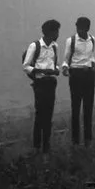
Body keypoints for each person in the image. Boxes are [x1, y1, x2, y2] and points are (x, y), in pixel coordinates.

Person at [21, 19, 63, 154]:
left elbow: (54, 63)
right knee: (40, 114)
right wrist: (41, 72)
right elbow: (26, 66)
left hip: (51, 83)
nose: (58, 34)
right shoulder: (35, 46)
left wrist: (55, 70)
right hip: (40, 84)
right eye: (56, 31)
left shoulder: (55, 46)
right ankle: (37, 145)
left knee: (48, 115)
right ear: (50, 32)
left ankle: (46, 145)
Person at [64, 15, 95, 147]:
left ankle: (88, 139)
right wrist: (65, 68)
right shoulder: (71, 41)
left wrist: (93, 66)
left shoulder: (92, 40)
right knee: (75, 107)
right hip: (76, 74)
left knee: (88, 107)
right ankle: (75, 140)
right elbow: (66, 58)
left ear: (87, 28)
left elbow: (91, 56)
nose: (79, 30)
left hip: (89, 74)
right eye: (78, 28)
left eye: (81, 28)